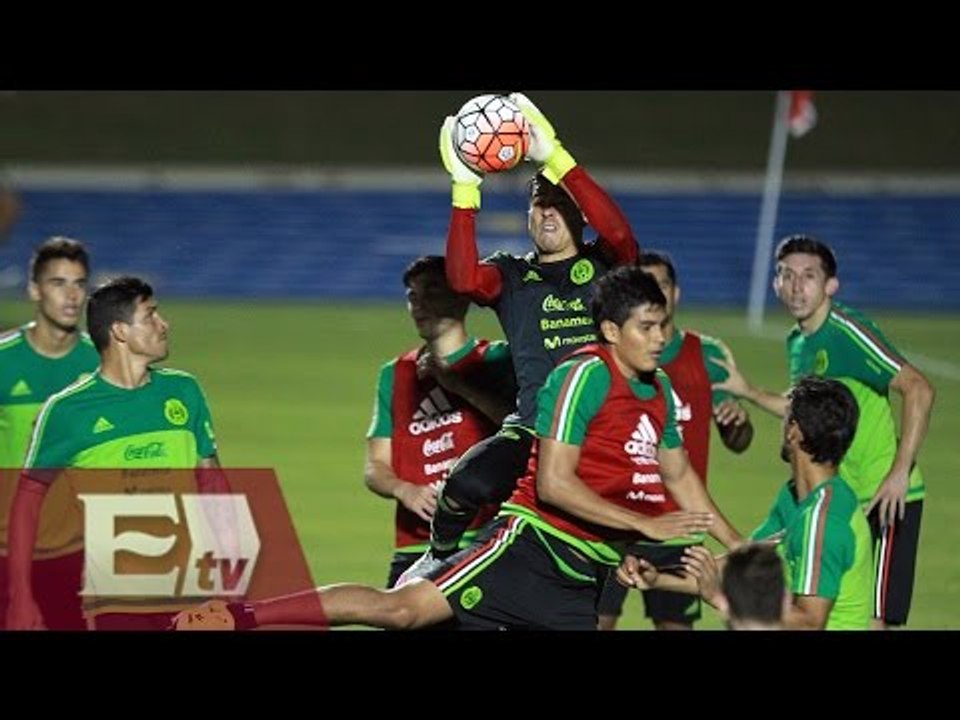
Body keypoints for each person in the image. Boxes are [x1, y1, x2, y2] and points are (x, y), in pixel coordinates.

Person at [173, 266, 740, 631]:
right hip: (531, 547)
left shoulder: (660, 389)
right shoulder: (583, 376)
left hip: (580, 578)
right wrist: (644, 526)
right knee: (402, 611)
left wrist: (737, 545)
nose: (661, 338)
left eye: (663, 325)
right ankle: (239, 617)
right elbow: (554, 484)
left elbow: (681, 476)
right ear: (612, 332)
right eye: (646, 327)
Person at [399, 92, 641, 583]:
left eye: (558, 203)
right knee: (464, 483)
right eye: (538, 203)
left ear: (579, 216)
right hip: (531, 427)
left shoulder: (604, 266)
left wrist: (557, 160)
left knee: (586, 563)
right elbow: (464, 280)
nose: (547, 212)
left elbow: (622, 237)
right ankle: (438, 554)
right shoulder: (511, 275)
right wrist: (465, 188)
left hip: (596, 434)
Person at [713, 235, 935, 628]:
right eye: (787, 275)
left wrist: (900, 472)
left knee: (874, 620)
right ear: (775, 283)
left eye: (809, 276)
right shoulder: (798, 341)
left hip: (884, 495)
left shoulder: (845, 330)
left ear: (831, 284)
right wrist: (747, 391)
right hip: (841, 498)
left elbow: (918, 387)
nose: (797, 286)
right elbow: (804, 410)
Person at [5, 276, 224, 630]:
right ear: (120, 331)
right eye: (151, 315)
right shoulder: (67, 410)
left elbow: (213, 482)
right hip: (114, 599)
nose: (163, 324)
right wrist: (20, 595)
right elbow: (26, 505)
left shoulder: (184, 390)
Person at [620, 376, 874, 630]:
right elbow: (747, 565)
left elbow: (809, 622)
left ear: (794, 431)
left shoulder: (824, 521)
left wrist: (721, 600)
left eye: (786, 416)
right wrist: (659, 579)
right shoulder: (798, 497)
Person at [597, 250, 754, 630]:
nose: (655, 294)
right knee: (598, 620)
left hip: (678, 524)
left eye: (661, 285)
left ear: (675, 292)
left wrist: (738, 424)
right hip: (612, 525)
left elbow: (729, 446)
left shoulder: (704, 357)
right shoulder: (598, 368)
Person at [365, 255, 515, 587]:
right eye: (412, 296)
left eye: (432, 290)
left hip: (485, 540)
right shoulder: (395, 374)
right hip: (415, 547)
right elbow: (375, 467)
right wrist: (403, 489)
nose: (420, 304)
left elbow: (522, 429)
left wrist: (457, 385)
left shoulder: (498, 359)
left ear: (461, 294)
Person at [0, 237, 98, 630]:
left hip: (77, 550)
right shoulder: (4, 362)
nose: (72, 295)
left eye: (79, 283)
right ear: (34, 290)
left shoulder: (101, 363)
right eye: (58, 283)